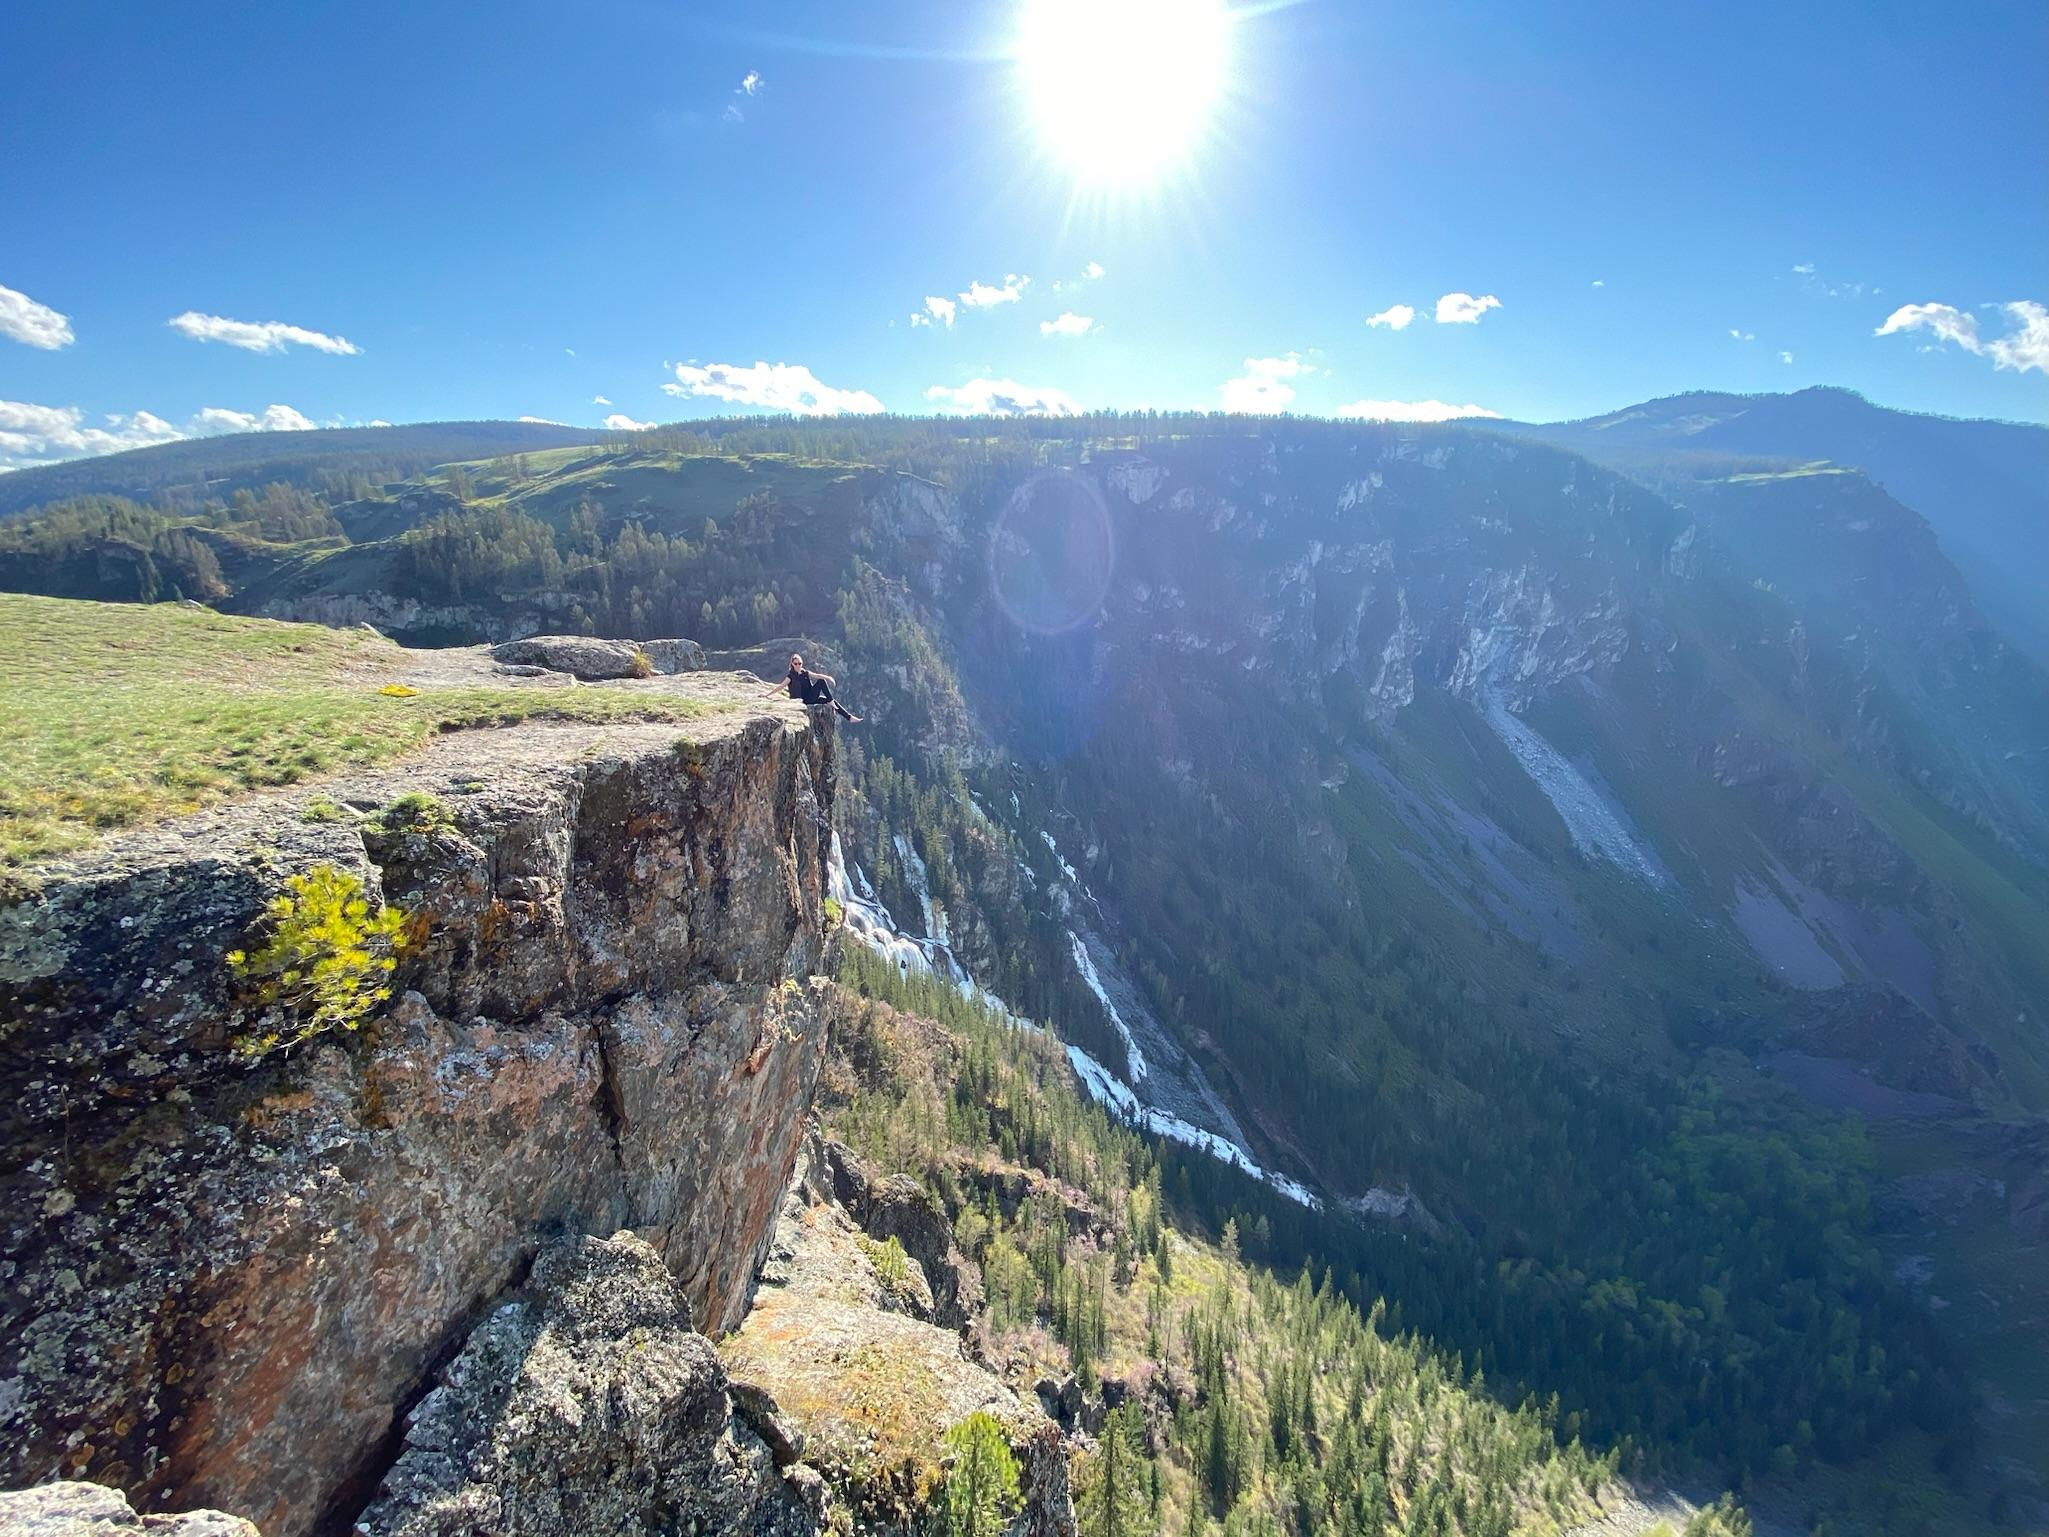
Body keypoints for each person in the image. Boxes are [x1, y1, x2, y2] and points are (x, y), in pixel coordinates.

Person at [768, 652, 859, 722]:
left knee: (830, 699)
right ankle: (831, 701)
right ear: (792, 664)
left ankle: (849, 717)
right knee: (822, 683)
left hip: (811, 697)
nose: (798, 665)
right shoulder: (791, 677)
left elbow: (817, 675)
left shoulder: (805, 673)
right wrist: (767, 695)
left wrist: (829, 677)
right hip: (804, 700)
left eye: (800, 663)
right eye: (796, 663)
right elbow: (781, 686)